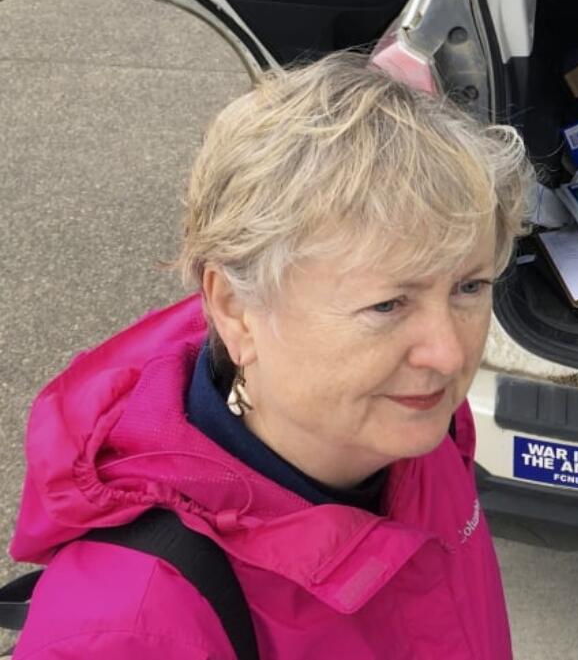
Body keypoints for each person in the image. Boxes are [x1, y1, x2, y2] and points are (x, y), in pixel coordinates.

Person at [7, 52, 533, 658]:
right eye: (388, 304)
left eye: (469, 287)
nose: (448, 354)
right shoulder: (129, 626)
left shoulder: (417, 426)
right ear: (234, 309)